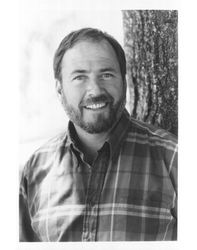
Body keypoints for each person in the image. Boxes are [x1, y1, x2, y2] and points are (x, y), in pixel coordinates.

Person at [19, 27, 177, 241]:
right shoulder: (35, 170)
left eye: (106, 74)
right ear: (59, 88)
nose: (95, 90)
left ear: (124, 81)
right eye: (79, 77)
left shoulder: (174, 159)